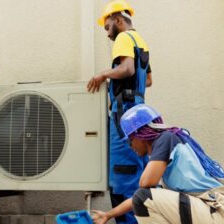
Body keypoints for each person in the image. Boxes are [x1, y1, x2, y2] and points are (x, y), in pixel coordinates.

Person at [92, 104, 224, 224]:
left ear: (140, 134)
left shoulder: (165, 139)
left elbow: (144, 185)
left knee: (145, 198)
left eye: (130, 140)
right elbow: (140, 196)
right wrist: (108, 215)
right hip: (218, 211)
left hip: (221, 212)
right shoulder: (170, 145)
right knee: (148, 198)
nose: (130, 146)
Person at [87, 0, 152, 223]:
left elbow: (127, 69)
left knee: (122, 175)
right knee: (138, 172)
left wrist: (103, 74)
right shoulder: (140, 41)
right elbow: (148, 80)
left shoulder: (124, 37)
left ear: (118, 19)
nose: (107, 34)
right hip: (139, 110)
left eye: (107, 27)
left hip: (124, 112)